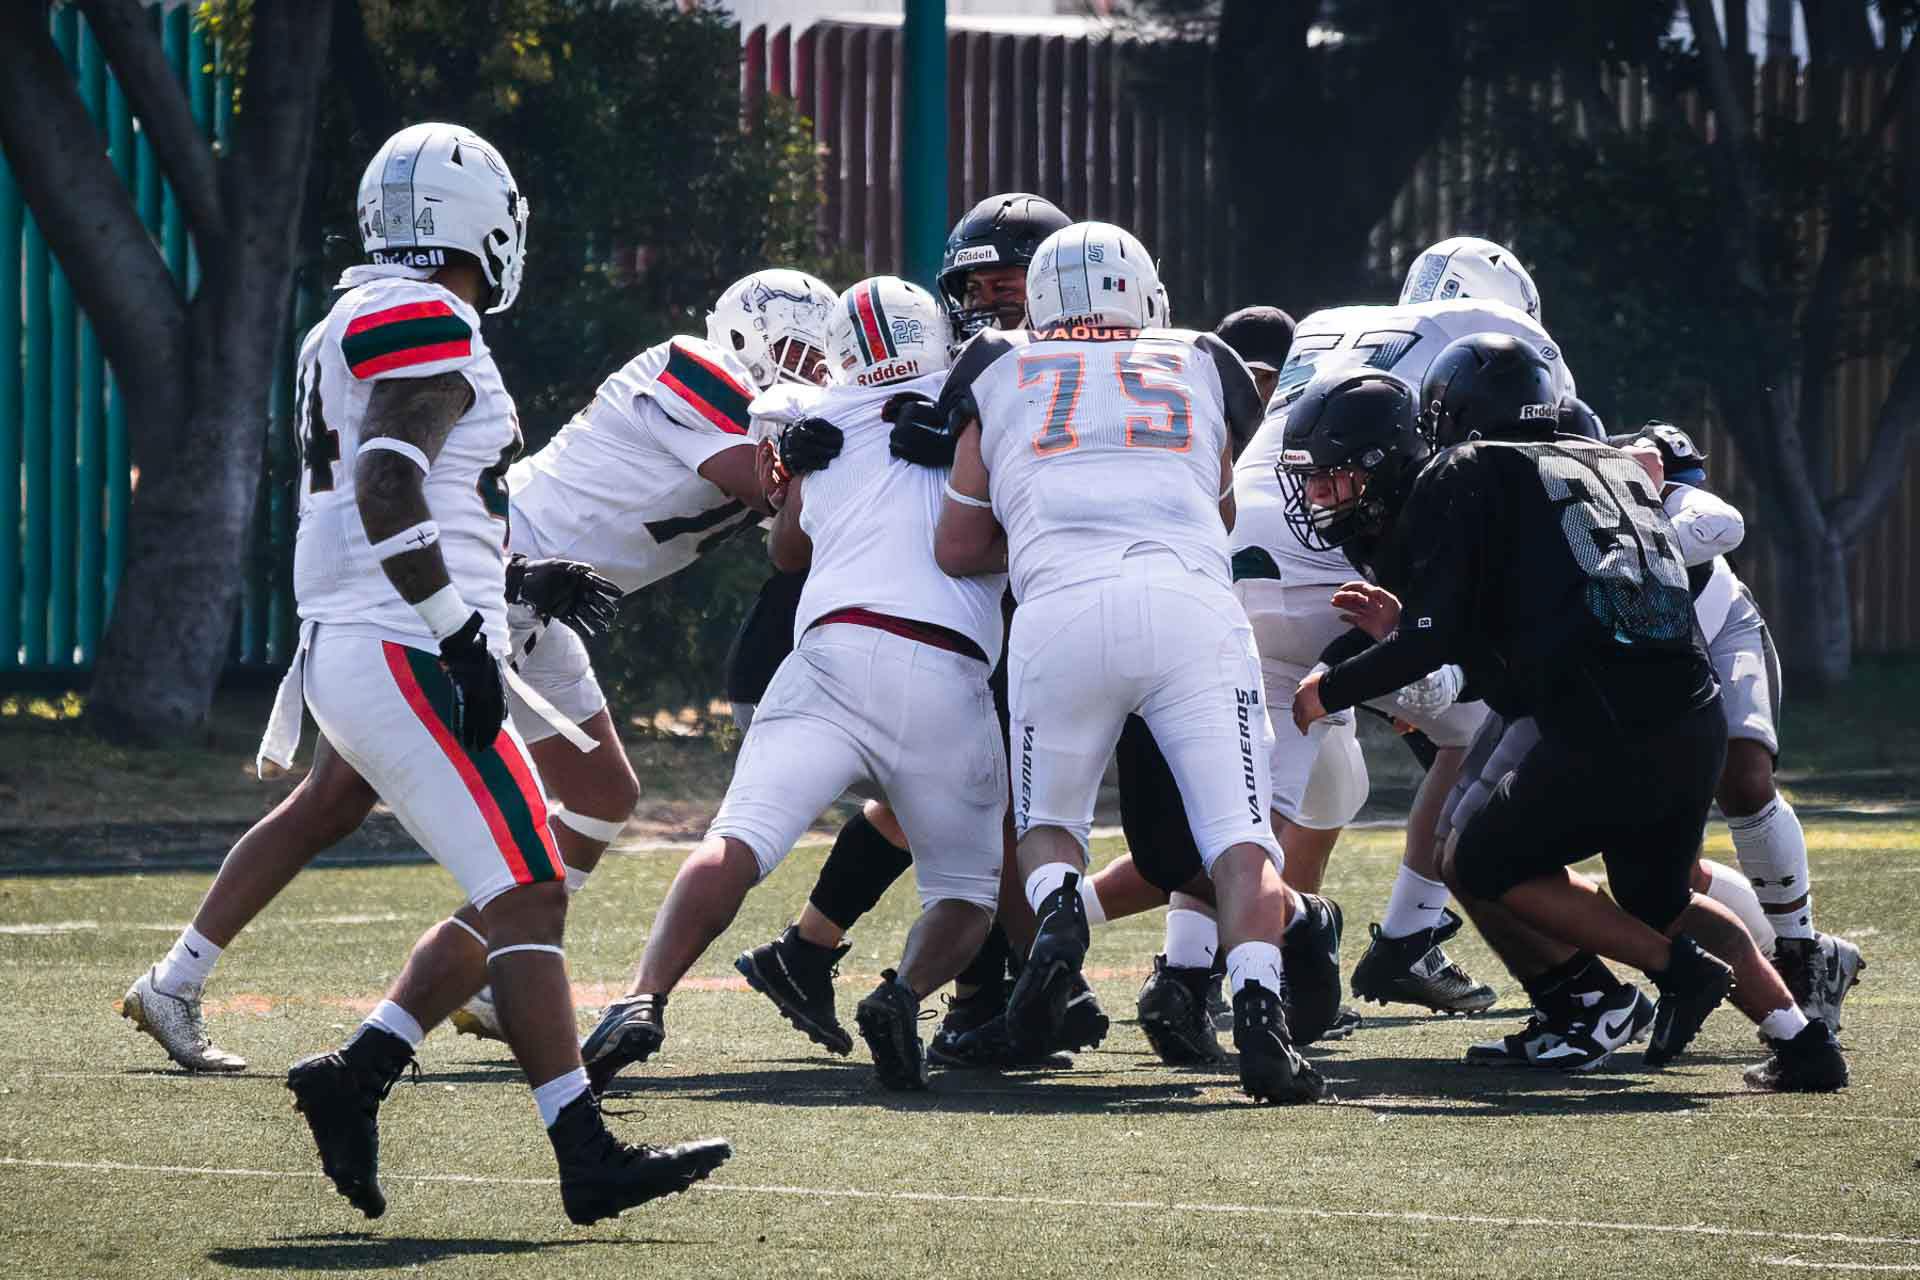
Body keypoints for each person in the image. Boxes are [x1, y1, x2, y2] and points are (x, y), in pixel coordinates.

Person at [117, 265, 835, 1069]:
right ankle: (193, 984)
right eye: (803, 356)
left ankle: (477, 980)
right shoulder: (696, 366)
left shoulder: (767, 414)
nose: (815, 376)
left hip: (537, 606)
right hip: (496, 575)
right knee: (339, 801)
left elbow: (796, 519)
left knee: (596, 793)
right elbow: (764, 484)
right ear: (745, 335)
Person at [240, 123, 731, 1226]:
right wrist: (457, 629)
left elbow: (406, 501)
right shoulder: (430, 316)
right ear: (481, 224)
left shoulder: (351, 316)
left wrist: (513, 576)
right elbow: (386, 481)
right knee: (532, 885)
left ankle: (361, 1071)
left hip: (365, 637)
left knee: (527, 882)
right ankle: (582, 1153)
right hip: (400, 642)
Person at [1285, 346, 1848, 1092]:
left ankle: (1671, 973)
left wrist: (1329, 689)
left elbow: (1436, 638)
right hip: (1691, 714)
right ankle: (1803, 1042)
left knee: (1481, 862)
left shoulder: (1469, 469)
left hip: (1602, 726)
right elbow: (1510, 639)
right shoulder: (1610, 462)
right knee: (1659, 897)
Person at [579, 278, 1008, 1092]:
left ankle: (642, 996)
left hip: (825, 656)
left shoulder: (813, 413)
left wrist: (802, 475)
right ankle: (902, 994)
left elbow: (787, 555)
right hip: (944, 668)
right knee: (964, 895)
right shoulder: (987, 401)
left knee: (736, 841)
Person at [932, 220, 1323, 1104]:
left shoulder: (994, 365)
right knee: (1239, 836)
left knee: (1050, 823)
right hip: (1192, 607)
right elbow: (1221, 513)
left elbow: (955, 547)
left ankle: (1059, 911)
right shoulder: (1204, 359)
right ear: (1146, 293)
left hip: (1060, 608)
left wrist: (1046, 530)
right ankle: (1261, 1013)